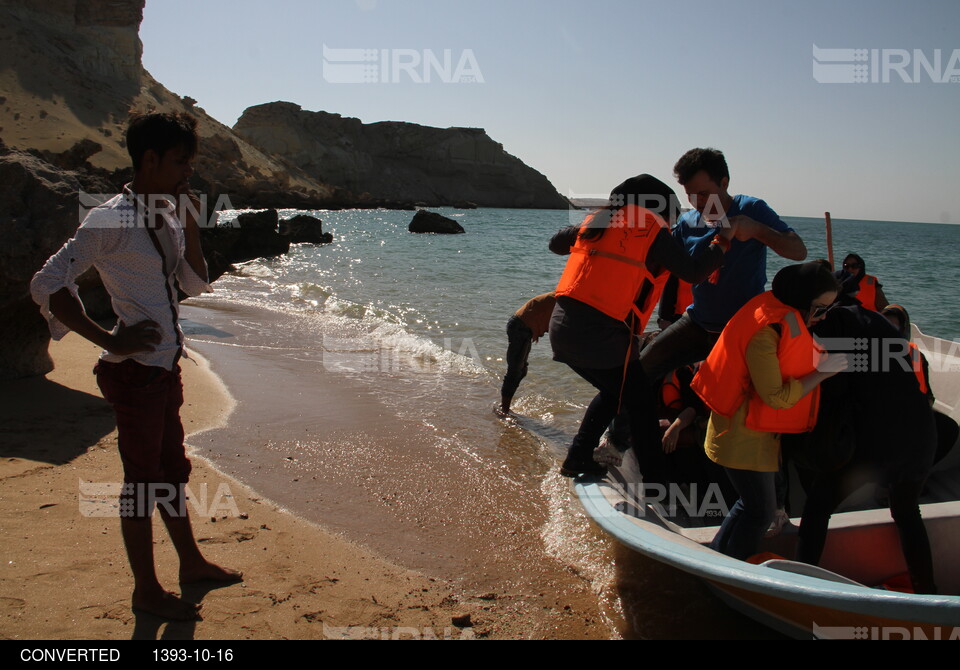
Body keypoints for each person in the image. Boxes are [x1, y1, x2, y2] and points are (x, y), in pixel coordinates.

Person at [30, 112, 242, 620]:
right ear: (150, 160)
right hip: (136, 373)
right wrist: (109, 339)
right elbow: (48, 282)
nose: (188, 175)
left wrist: (190, 222)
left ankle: (190, 563)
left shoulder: (166, 213)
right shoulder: (110, 219)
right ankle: (145, 591)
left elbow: (192, 286)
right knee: (141, 483)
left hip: (165, 368)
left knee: (171, 471)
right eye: (180, 163)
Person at [549, 174, 730, 479]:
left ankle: (578, 457)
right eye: (670, 214)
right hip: (600, 336)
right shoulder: (649, 228)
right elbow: (693, 271)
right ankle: (657, 482)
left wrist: (584, 229)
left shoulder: (597, 222)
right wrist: (721, 243)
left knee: (615, 394)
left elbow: (556, 243)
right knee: (641, 408)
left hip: (563, 328)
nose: (671, 222)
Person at [691, 262, 846, 560]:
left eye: (828, 309)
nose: (821, 317)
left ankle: (718, 559)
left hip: (758, 435)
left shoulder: (782, 315)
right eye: (818, 309)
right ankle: (733, 573)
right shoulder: (767, 331)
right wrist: (822, 373)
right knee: (759, 512)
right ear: (801, 300)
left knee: (751, 505)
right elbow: (775, 397)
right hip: (740, 436)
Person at [793, 302, 938, 593]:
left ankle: (799, 584)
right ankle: (927, 592)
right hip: (920, 437)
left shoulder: (838, 340)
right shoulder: (885, 337)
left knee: (818, 507)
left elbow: (830, 397)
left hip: (874, 442)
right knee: (907, 513)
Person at [639, 148, 807, 383]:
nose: (697, 202)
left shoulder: (751, 209)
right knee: (638, 372)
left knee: (728, 396)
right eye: (690, 195)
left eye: (704, 194)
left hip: (742, 328)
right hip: (697, 322)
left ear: (725, 183)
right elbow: (658, 265)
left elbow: (798, 251)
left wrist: (758, 230)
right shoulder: (688, 222)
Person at [500, 291, 556, 414]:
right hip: (520, 327)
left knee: (521, 371)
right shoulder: (564, 301)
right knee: (515, 371)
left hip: (523, 327)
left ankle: (504, 406)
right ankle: (504, 409)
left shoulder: (563, 299)